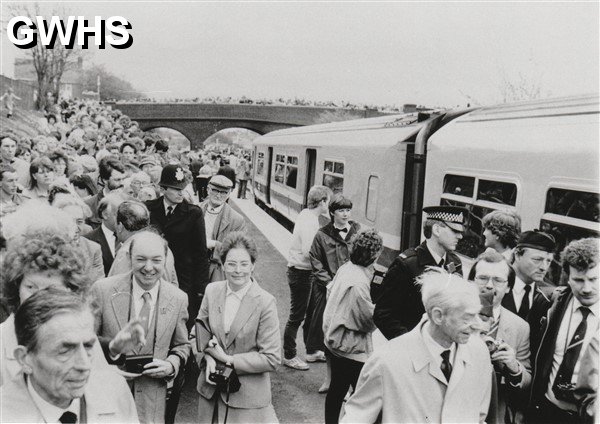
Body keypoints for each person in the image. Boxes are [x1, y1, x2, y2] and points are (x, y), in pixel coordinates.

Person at [341, 270, 492, 423]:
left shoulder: (479, 353)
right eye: (467, 318)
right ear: (438, 316)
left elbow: (479, 415)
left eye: (476, 315)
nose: (477, 326)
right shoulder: (387, 361)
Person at [91, 231, 191, 423]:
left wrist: (171, 364)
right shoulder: (102, 290)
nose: (148, 267)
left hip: (153, 404)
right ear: (129, 258)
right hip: (109, 398)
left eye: (156, 260)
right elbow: (86, 340)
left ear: (165, 260)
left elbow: (182, 345)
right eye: (141, 259)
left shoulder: (178, 298)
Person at [1, 289, 139, 423]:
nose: (84, 365)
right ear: (24, 359)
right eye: (65, 351)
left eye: (88, 346)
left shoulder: (115, 390)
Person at [0, 232, 108, 386]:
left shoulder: (84, 339)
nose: (40, 297)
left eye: (52, 288)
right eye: (31, 287)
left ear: (71, 291)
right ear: (16, 288)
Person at [195, 232, 281, 423]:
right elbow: (197, 333)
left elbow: (272, 358)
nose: (238, 270)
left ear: (253, 266)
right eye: (231, 264)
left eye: (244, 264)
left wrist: (229, 360)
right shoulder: (212, 291)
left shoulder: (265, 302)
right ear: (223, 265)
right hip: (210, 394)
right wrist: (207, 357)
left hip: (246, 402)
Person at [528, 237, 599, 424]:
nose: (587, 288)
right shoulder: (551, 304)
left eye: (594, 279)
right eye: (578, 280)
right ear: (567, 277)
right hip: (544, 412)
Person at [373, 205, 466, 340]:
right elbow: (383, 314)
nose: (460, 236)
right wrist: (410, 343)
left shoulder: (455, 263)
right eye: (454, 231)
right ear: (437, 230)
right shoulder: (406, 265)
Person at [322, 229, 383, 424]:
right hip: (351, 348)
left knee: (336, 390)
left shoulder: (346, 268)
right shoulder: (359, 284)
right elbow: (367, 320)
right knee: (363, 396)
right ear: (373, 255)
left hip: (334, 341)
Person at [469, 250, 532, 423]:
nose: (489, 286)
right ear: (471, 281)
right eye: (482, 278)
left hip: (494, 412)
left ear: (509, 287)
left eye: (497, 280)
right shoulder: (453, 315)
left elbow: (526, 385)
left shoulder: (520, 327)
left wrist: (514, 366)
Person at [306, 194, 360, 392]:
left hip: (352, 290)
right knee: (328, 335)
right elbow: (315, 260)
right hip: (328, 291)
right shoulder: (322, 235)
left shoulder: (357, 232)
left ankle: (350, 386)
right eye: (341, 211)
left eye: (348, 210)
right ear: (332, 213)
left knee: (351, 336)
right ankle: (329, 379)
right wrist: (328, 284)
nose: (346, 214)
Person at [146, 164, 209, 331]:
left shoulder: (193, 213)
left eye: (183, 188)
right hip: (152, 275)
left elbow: (201, 253)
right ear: (163, 188)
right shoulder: (149, 208)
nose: (181, 193)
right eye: (175, 189)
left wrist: (201, 288)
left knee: (181, 322)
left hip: (184, 279)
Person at [283, 185, 331, 371]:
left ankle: (311, 351)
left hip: (304, 272)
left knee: (310, 313)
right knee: (297, 317)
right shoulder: (310, 222)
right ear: (322, 202)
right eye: (328, 200)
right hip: (301, 273)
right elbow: (308, 252)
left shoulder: (307, 215)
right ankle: (290, 355)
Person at [502, 230, 555, 354]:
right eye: (537, 259)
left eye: (549, 261)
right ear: (517, 255)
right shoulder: (496, 285)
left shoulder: (547, 299)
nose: (544, 267)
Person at [108, 200, 178, 284]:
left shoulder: (127, 252)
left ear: (120, 226)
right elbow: (174, 283)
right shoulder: (163, 246)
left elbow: (116, 288)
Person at [200, 175, 247, 282]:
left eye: (223, 192)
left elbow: (239, 251)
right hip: (194, 266)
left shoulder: (237, 220)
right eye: (215, 190)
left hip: (218, 271)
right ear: (208, 189)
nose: (218, 195)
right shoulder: (196, 210)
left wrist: (214, 244)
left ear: (229, 194)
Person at [52, 194, 105, 284]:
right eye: (69, 221)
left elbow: (98, 285)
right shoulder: (48, 247)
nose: (75, 227)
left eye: (79, 222)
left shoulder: (93, 249)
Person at [83, 192, 126, 276]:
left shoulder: (129, 236)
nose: (123, 219)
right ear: (105, 214)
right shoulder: (89, 240)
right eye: (118, 214)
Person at [84, 156, 126, 227]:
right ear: (104, 180)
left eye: (123, 179)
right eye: (117, 180)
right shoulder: (89, 205)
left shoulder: (130, 202)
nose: (122, 183)